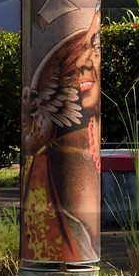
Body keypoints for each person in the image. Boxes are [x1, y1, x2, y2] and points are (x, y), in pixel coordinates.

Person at [18, 26, 102, 263]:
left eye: (94, 48)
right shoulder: (47, 165)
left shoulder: (78, 151)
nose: (81, 63)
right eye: (83, 49)